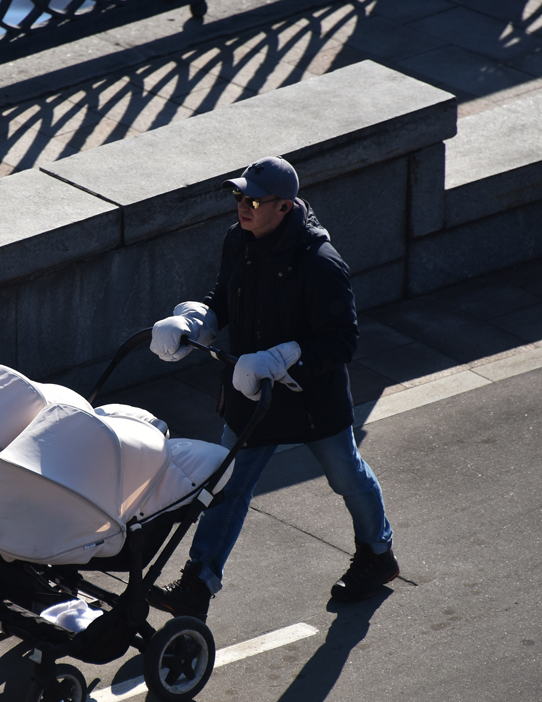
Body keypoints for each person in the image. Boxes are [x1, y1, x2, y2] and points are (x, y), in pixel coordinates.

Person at [147, 156, 399, 621]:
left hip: (311, 401)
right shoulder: (237, 240)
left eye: (254, 199)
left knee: (345, 475)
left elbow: (342, 340)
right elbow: (225, 295)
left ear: (284, 207)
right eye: (239, 196)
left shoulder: (322, 264)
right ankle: (197, 584)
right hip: (251, 395)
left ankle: (378, 554)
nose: (242, 205)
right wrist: (196, 321)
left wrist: (282, 357)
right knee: (226, 486)